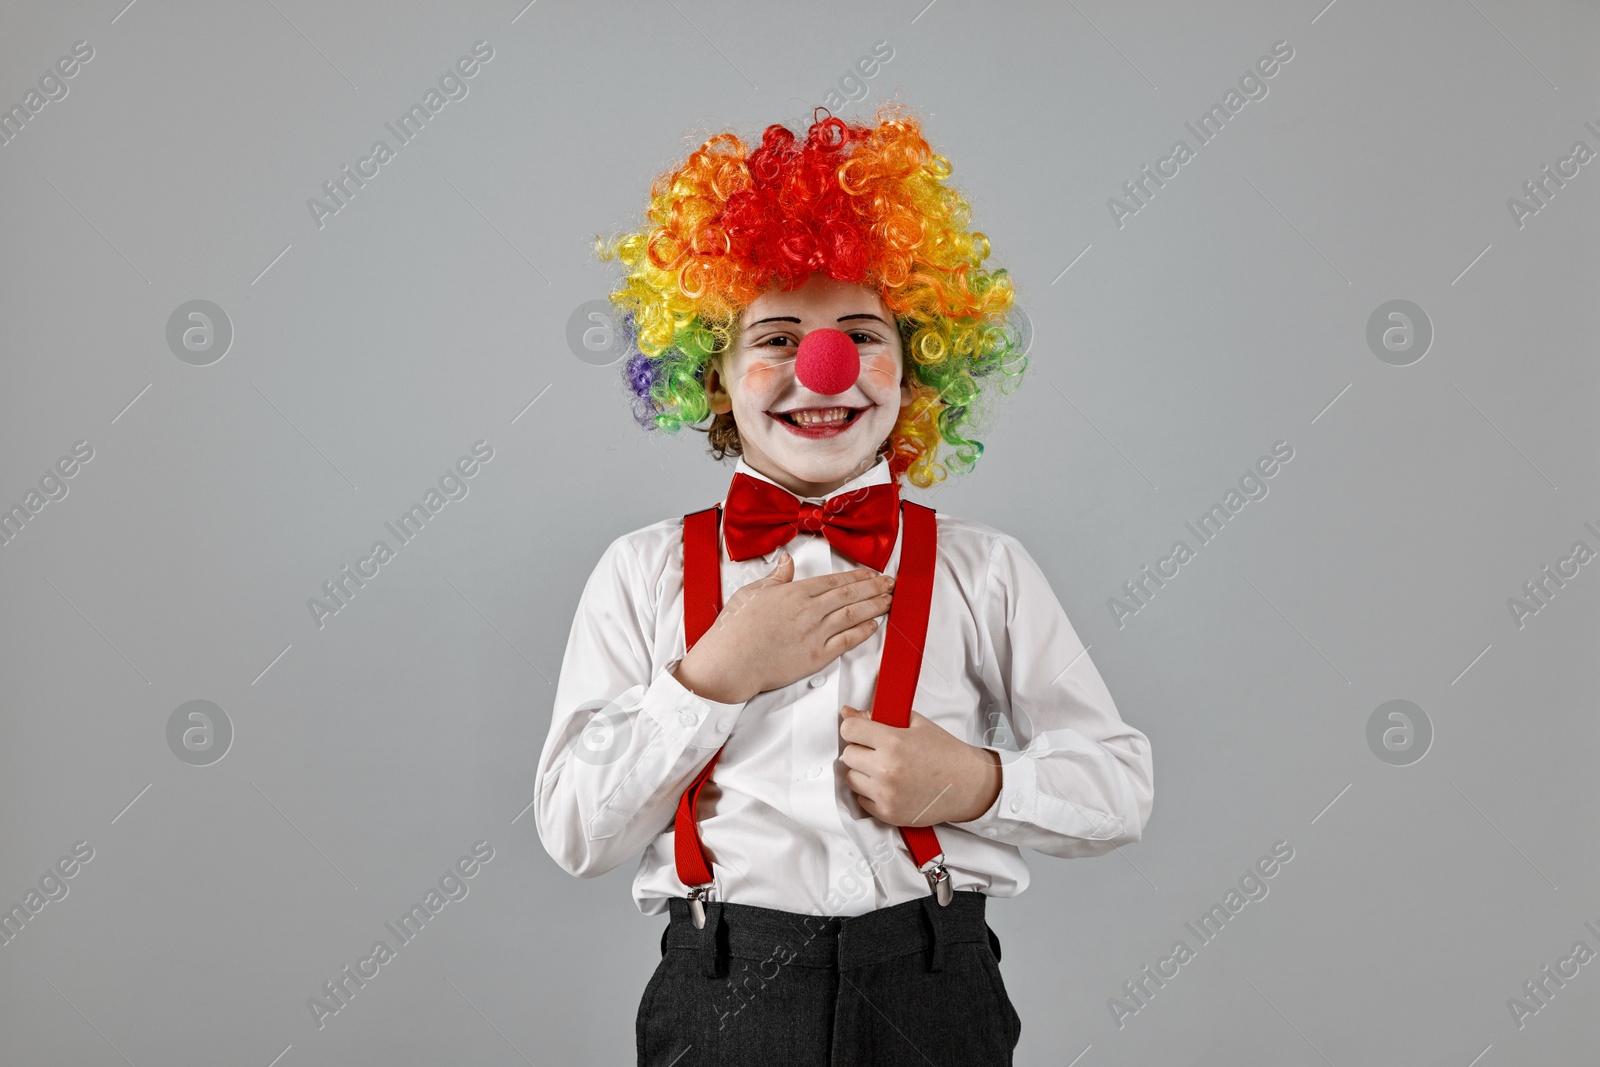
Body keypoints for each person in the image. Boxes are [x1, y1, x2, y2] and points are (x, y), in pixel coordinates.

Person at [535, 102, 1154, 1066]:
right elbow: (575, 827)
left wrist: (973, 781)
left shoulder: (983, 570)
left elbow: (1120, 784)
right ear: (716, 378)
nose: (822, 369)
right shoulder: (642, 570)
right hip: (723, 991)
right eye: (776, 337)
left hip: (935, 984)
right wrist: (710, 678)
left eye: (862, 334)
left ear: (915, 373)